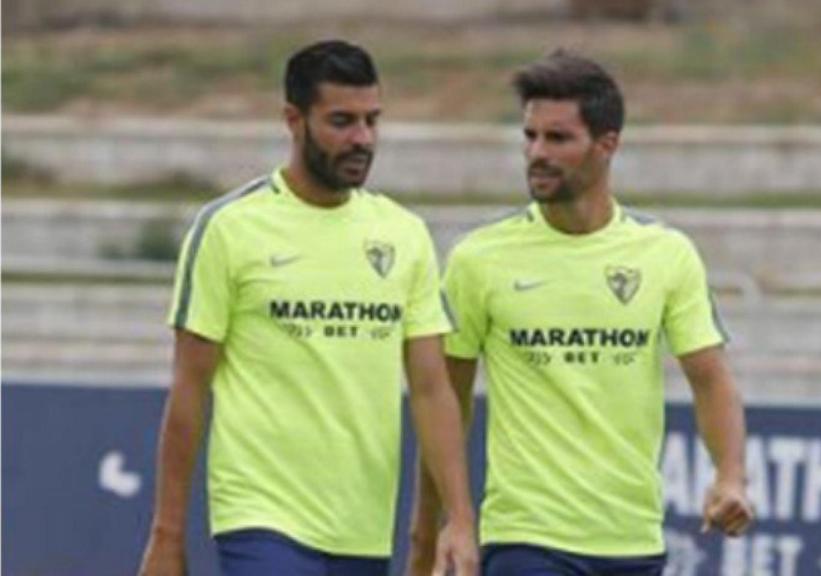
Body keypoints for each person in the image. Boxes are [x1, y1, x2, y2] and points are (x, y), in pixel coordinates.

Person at [137, 40, 477, 576]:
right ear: (293, 120)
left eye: (372, 121)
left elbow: (433, 391)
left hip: (362, 525)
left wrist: (458, 521)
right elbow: (188, 390)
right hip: (260, 516)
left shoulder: (404, 235)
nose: (362, 139)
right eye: (342, 121)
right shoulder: (230, 228)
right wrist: (167, 535)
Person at [408, 50, 753, 576]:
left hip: (632, 539)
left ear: (607, 144)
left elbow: (711, 380)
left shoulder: (665, 254)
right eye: (530, 137)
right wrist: (443, 526)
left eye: (558, 138)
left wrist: (730, 476)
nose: (536, 153)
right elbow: (446, 401)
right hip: (526, 537)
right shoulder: (479, 259)